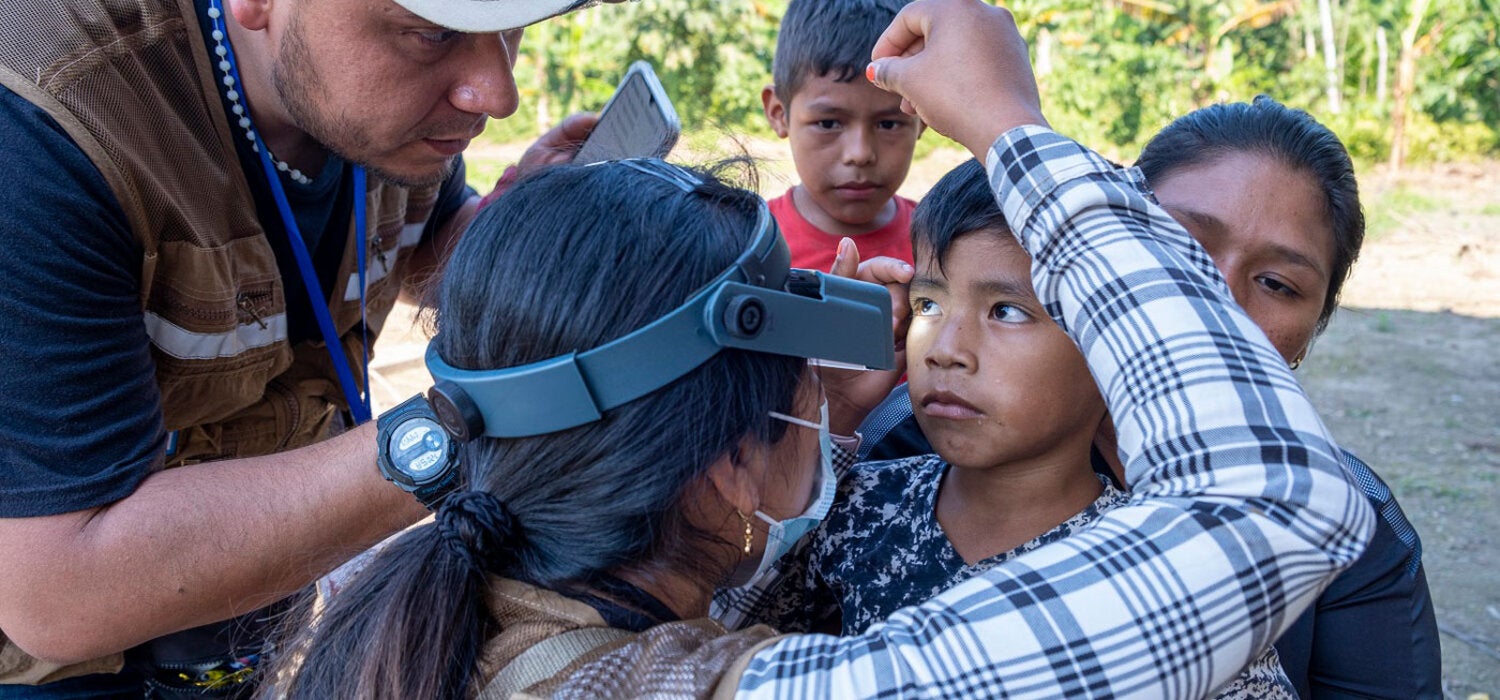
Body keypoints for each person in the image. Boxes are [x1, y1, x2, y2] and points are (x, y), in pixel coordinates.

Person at [266, 2, 1374, 695]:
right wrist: (1013, 130)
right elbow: (1273, 497)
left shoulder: (401, 608)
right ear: (729, 466)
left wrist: (813, 428)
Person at [0, 0, 614, 695]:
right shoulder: (44, 123)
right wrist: (472, 423)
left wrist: (511, 227)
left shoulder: (376, 110)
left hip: (235, 619)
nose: (496, 94)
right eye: (433, 33)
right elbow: (61, 590)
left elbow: (414, 251)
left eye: (509, 30)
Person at [857, 96, 1440, 698]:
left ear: (1311, 331)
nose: (1214, 294)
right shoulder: (908, 441)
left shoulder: (1355, 520)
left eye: (1276, 284)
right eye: (1180, 243)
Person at [720, 158, 1298, 698]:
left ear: (1111, 346)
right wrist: (830, 409)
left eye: (1007, 312)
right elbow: (711, 636)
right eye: (928, 305)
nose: (948, 351)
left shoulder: (1163, 565)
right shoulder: (856, 504)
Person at [762, 0, 924, 271]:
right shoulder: (749, 248)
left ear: (923, 117)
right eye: (827, 123)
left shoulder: (942, 245)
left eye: (888, 125)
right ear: (779, 114)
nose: (859, 154)